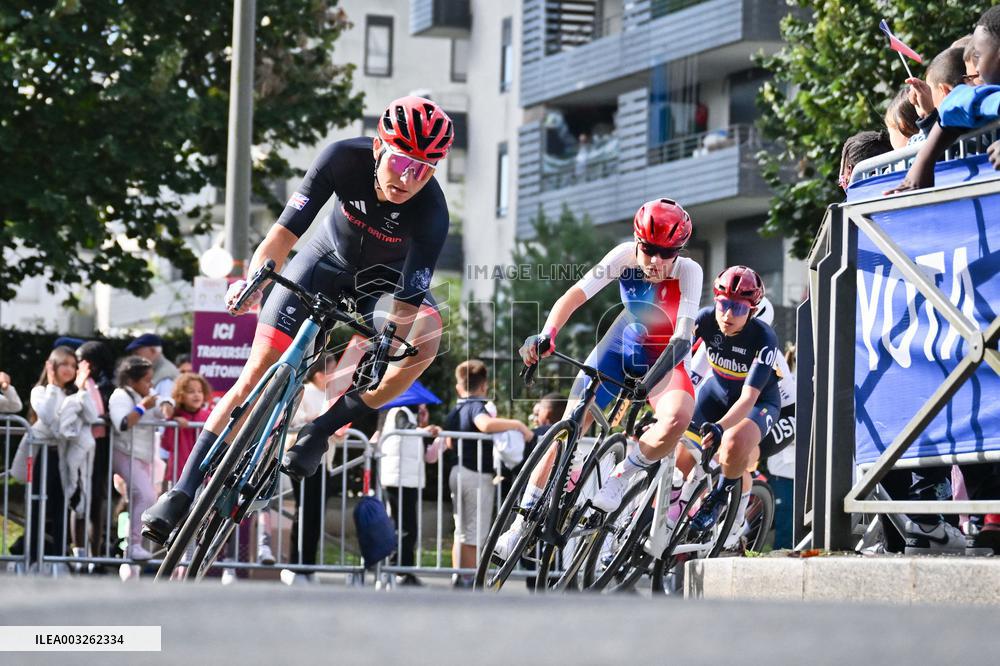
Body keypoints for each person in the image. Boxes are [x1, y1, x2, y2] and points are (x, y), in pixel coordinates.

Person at [142, 96, 456, 543]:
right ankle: (181, 492)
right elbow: (282, 236)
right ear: (378, 148)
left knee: (426, 337)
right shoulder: (341, 157)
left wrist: (387, 345)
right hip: (323, 261)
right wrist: (253, 281)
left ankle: (319, 430)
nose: (409, 178)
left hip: (382, 284)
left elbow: (407, 300)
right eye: (403, 161)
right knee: (254, 373)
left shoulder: (432, 211)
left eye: (424, 169)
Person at [496, 198, 704, 559]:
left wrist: (649, 383)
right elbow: (576, 294)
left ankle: (621, 475)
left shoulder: (689, 271)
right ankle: (519, 527)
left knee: (678, 417)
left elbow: (682, 339)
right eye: (649, 250)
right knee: (567, 428)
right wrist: (547, 334)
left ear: (678, 250)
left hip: (664, 356)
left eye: (666, 253)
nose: (656, 261)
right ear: (637, 242)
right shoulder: (624, 256)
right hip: (620, 346)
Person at [887, 7, 1000, 193]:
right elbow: (953, 107)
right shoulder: (980, 97)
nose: (976, 69)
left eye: (978, 56)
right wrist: (923, 162)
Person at [445, 360, 533, 586]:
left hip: (456, 470)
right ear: (483, 386)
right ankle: (469, 580)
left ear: (459, 385)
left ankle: (460, 576)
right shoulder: (476, 406)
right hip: (476, 474)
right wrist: (516, 424)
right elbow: (484, 425)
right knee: (475, 531)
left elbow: (449, 442)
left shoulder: (455, 409)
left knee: (461, 530)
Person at [23, 346, 96, 560]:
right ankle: (32, 556)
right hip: (42, 455)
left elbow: (92, 416)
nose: (69, 369)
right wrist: (53, 386)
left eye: (73, 365)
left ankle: (58, 558)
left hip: (64, 457)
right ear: (52, 366)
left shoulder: (76, 393)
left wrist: (82, 389)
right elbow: (47, 416)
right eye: (63, 364)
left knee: (61, 506)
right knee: (38, 504)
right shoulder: (40, 391)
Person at [110, 356, 174, 561]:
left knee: (146, 497)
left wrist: (165, 403)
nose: (151, 384)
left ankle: (134, 549)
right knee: (145, 495)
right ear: (132, 381)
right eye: (147, 380)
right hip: (124, 452)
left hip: (142, 456)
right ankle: (132, 545)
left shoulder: (145, 394)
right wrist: (142, 407)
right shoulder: (120, 396)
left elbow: (163, 412)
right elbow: (123, 423)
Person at [379, 402, 440, 586]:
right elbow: (405, 429)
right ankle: (399, 570)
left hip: (405, 478)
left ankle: (402, 569)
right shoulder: (400, 411)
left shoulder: (407, 414)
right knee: (405, 527)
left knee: (406, 527)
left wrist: (422, 423)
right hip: (400, 479)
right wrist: (425, 429)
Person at [75, 341, 117, 560]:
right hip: (79, 445)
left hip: (101, 445)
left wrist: (106, 418)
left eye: (85, 359)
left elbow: (113, 410)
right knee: (79, 498)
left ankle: (96, 555)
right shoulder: (76, 383)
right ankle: (79, 554)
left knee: (97, 499)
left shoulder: (109, 384)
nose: (80, 364)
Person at [906, 47, 969, 143]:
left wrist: (929, 115)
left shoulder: (967, 130)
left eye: (930, 92)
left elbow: (942, 153)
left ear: (945, 91)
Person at [162, 372, 213, 488]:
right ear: (180, 395)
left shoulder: (209, 416)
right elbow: (166, 444)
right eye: (191, 391)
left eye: (200, 391)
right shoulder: (175, 417)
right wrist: (173, 421)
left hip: (202, 474)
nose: (196, 395)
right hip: (178, 474)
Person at [125, 334, 179, 399]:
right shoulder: (159, 370)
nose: (134, 358)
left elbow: (165, 405)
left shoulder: (166, 376)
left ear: (153, 351)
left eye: (137, 354)